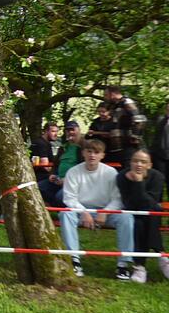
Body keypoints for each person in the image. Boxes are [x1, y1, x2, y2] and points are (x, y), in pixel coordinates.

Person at [59, 139, 133, 279]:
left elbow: (117, 199)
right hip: (81, 211)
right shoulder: (73, 172)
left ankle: (123, 265)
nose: (92, 155)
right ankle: (74, 260)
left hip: (106, 212)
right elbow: (69, 198)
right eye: (89, 151)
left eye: (96, 152)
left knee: (127, 217)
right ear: (83, 153)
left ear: (102, 155)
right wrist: (84, 212)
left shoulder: (111, 173)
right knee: (65, 214)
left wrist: (105, 212)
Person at [117, 149, 169, 283]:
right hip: (132, 213)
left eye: (143, 162)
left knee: (150, 214)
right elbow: (129, 203)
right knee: (140, 221)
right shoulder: (122, 176)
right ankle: (160, 255)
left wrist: (139, 183)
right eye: (135, 161)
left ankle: (141, 265)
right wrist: (138, 183)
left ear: (149, 165)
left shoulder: (157, 176)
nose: (139, 164)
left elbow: (151, 202)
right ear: (131, 163)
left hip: (151, 213)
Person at [38, 121, 83, 207]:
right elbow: (56, 164)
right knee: (39, 187)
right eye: (67, 130)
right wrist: (52, 174)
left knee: (60, 196)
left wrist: (67, 180)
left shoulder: (84, 146)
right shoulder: (63, 147)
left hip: (74, 181)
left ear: (79, 130)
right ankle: (55, 208)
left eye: (72, 129)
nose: (70, 132)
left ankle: (60, 212)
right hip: (58, 179)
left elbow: (84, 167)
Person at [104, 85, 146, 166]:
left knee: (128, 168)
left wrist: (135, 137)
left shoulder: (127, 102)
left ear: (112, 94)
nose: (105, 97)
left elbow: (139, 119)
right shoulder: (115, 105)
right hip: (118, 147)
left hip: (128, 146)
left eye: (106, 95)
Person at [149, 102, 169, 198]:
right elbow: (156, 138)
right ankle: (158, 208)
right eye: (167, 109)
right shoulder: (161, 121)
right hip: (160, 156)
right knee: (159, 181)